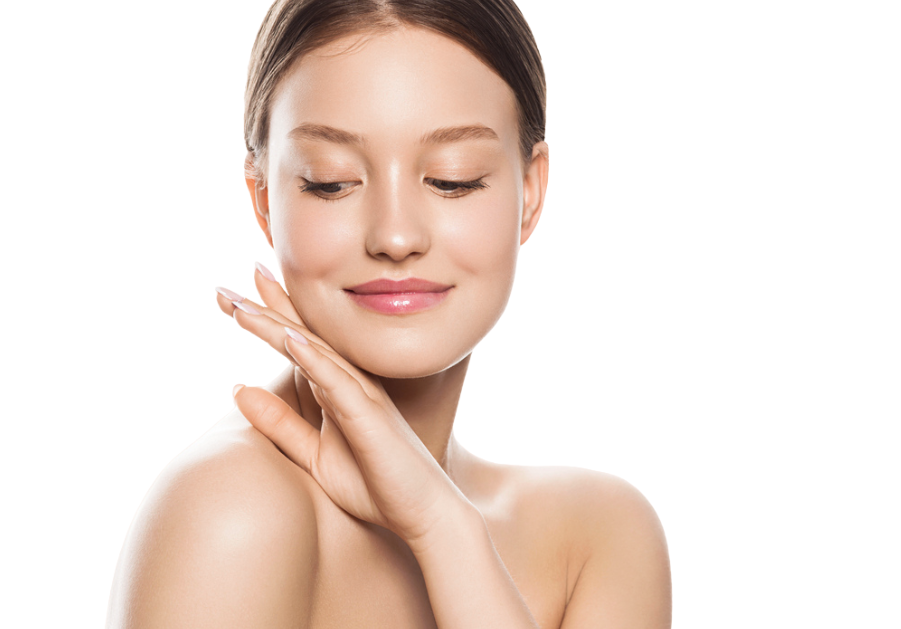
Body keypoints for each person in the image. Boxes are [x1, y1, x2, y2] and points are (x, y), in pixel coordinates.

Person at [106, 0, 671, 626]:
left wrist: (443, 527)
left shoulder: (599, 538)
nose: (396, 236)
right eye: (332, 181)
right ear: (264, 200)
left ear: (531, 192)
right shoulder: (230, 515)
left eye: (453, 180)